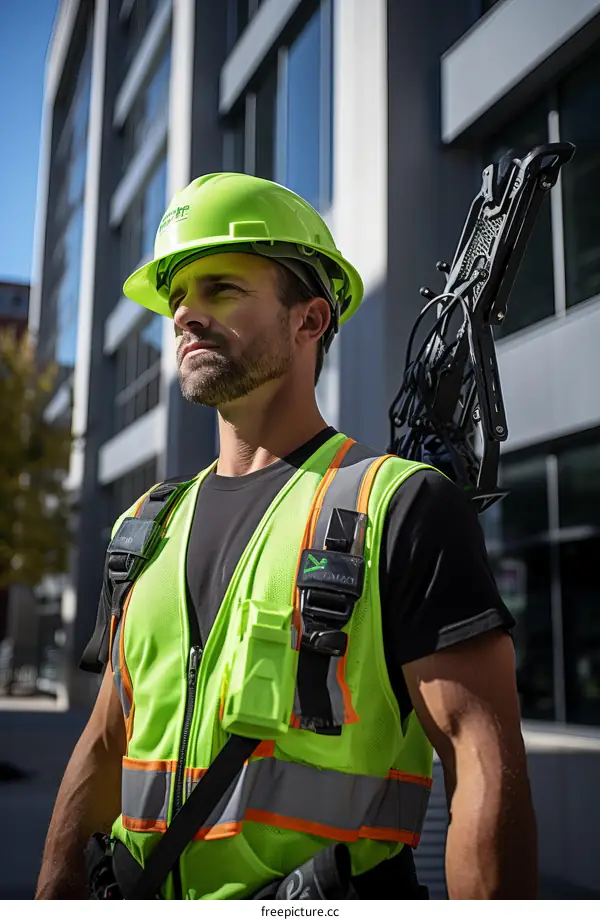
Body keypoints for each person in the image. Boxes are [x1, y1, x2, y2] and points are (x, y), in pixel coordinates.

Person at [36, 173, 537, 900]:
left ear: (309, 321)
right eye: (177, 298)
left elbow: (483, 769)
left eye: (222, 290)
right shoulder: (145, 525)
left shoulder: (398, 506)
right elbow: (108, 743)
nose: (185, 315)